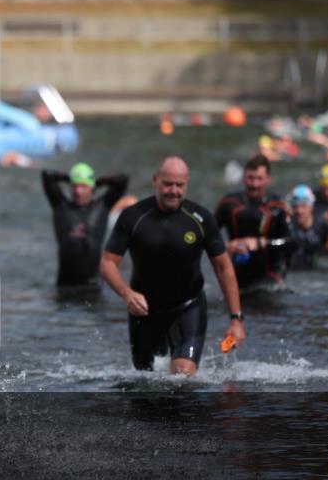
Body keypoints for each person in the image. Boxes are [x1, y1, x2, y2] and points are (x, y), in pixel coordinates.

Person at [100, 156, 246, 376]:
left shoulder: (201, 218)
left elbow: (223, 268)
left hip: (188, 306)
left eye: (180, 185)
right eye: (168, 184)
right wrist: (126, 294)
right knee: (144, 383)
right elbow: (107, 263)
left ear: (187, 184)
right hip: (144, 310)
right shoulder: (134, 217)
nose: (174, 191)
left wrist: (236, 319)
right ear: (155, 180)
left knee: (181, 378)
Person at [41, 163, 133, 286]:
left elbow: (123, 180)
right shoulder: (60, 205)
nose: (78, 191)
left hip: (93, 285)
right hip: (64, 285)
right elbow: (47, 175)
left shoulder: (103, 206)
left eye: (83, 186)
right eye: (74, 186)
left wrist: (97, 182)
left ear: (91, 187)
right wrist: (71, 177)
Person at [214, 154, 290, 289]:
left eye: (259, 179)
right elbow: (207, 236)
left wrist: (261, 243)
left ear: (268, 179)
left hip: (271, 281)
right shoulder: (229, 204)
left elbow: (292, 241)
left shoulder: (278, 206)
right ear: (243, 177)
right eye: (251, 178)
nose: (255, 184)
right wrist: (226, 246)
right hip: (239, 278)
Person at [285, 185, 328, 270]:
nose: (299, 211)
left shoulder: (320, 225)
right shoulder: (287, 226)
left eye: (303, 206)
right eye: (295, 206)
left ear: (311, 207)